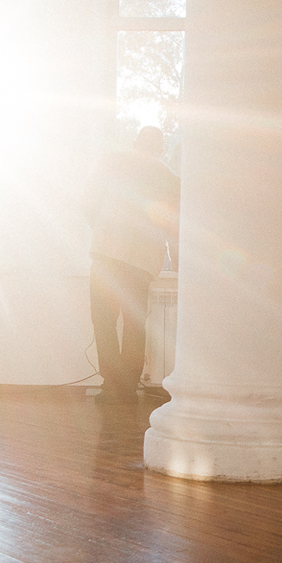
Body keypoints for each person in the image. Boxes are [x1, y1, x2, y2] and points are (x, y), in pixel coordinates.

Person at [84, 125, 179, 400]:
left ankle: (111, 384)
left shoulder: (112, 160)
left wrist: (102, 228)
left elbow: (88, 201)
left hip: (106, 253)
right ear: (161, 149)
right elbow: (174, 227)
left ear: (136, 143)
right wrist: (176, 263)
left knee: (103, 322)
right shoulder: (172, 180)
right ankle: (126, 389)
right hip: (142, 261)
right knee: (135, 326)